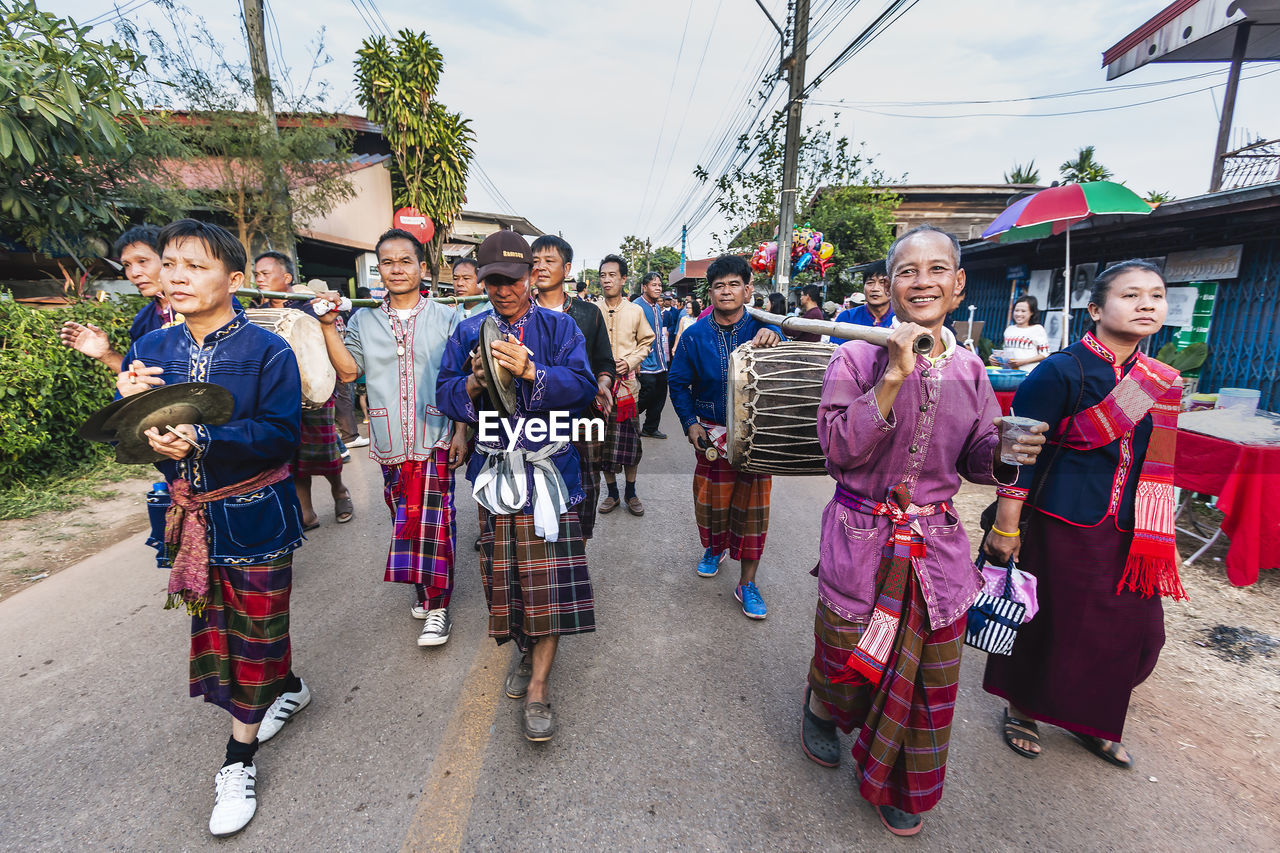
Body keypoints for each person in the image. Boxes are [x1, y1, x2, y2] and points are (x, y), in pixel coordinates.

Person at [802, 225, 1046, 838]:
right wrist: (892, 373)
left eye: (938, 270)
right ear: (890, 284)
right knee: (844, 649)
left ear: (959, 285)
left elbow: (977, 461)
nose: (923, 282)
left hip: (934, 545)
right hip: (861, 533)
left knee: (929, 671)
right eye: (908, 271)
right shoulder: (855, 355)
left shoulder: (970, 368)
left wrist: (1009, 450)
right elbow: (837, 450)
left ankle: (903, 781)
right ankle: (820, 706)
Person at [116, 219, 310, 837]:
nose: (176, 276)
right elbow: (141, 447)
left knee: (254, 630)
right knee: (224, 629)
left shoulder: (267, 351)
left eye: (195, 266)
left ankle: (238, 759)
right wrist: (138, 416)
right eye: (170, 263)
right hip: (189, 516)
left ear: (233, 279)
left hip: (255, 513)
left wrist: (205, 435)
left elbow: (283, 436)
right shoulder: (150, 353)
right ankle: (291, 687)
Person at [982, 260, 1183, 769]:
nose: (1146, 305)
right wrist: (1007, 527)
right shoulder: (1061, 370)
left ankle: (1092, 718)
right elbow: (1018, 452)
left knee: (1129, 634)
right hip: (1060, 520)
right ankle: (1023, 708)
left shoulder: (1159, 381)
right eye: (1131, 295)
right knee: (1050, 623)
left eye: (1156, 296)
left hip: (1131, 530)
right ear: (1095, 309)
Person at [437, 230, 598, 743]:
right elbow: (443, 393)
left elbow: (586, 388)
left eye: (511, 280)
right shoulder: (467, 333)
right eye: (492, 282)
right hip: (496, 477)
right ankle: (526, 650)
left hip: (551, 473)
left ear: (531, 274)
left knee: (547, 585)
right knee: (506, 583)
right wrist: (474, 384)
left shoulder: (561, 326)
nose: (503, 291)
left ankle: (539, 688)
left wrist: (532, 371)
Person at [314, 229, 469, 648]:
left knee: (435, 520)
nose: (396, 269)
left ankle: (437, 607)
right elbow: (348, 372)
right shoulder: (364, 320)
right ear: (378, 269)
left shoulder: (449, 317)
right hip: (388, 441)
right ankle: (424, 589)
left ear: (422, 268)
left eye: (405, 261)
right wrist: (329, 327)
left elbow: (459, 381)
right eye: (387, 262)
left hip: (434, 434)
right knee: (404, 518)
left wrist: (461, 431)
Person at [669, 255, 782, 619]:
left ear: (748, 289)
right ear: (711, 293)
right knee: (710, 505)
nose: (727, 291)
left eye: (735, 284)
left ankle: (747, 583)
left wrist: (776, 337)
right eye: (719, 285)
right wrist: (689, 422)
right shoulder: (693, 336)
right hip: (711, 435)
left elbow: (785, 368)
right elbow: (677, 382)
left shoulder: (765, 329)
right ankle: (713, 548)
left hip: (757, 438)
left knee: (753, 513)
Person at [253, 251, 354, 528]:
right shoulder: (257, 313)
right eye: (256, 275)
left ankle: (339, 490)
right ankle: (306, 510)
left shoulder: (311, 307)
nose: (258, 279)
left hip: (316, 390)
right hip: (279, 397)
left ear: (286, 277)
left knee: (325, 454)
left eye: (265, 273)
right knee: (293, 456)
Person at [531, 234, 615, 539]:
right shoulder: (520, 313)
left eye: (549, 261)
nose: (540, 267)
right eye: (535, 261)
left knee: (584, 482)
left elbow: (604, 362)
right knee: (536, 485)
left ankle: (576, 549)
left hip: (581, 415)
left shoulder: (588, 313)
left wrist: (602, 383)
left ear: (567, 269)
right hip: (532, 419)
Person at [60, 225, 179, 369]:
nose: (134, 273)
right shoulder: (143, 320)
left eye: (142, 261)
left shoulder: (201, 309)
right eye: (127, 265)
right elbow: (140, 378)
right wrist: (106, 354)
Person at [597, 254, 654, 517]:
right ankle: (612, 493)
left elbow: (646, 342)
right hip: (598, 390)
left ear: (623, 278)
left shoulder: (635, 311)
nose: (607, 280)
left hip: (627, 389)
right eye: (603, 275)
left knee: (630, 445)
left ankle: (631, 492)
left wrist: (630, 361)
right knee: (602, 445)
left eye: (612, 275)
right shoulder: (593, 310)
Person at [632, 271, 671, 439]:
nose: (658, 288)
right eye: (654, 285)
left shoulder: (656, 307)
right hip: (645, 360)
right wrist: (636, 360)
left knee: (661, 394)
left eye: (659, 285)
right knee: (647, 393)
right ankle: (625, 419)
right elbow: (631, 333)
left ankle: (650, 427)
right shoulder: (636, 306)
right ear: (644, 287)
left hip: (660, 361)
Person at [831, 260, 896, 344]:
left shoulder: (901, 318)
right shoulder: (847, 317)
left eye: (882, 283)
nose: (875, 288)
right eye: (870, 283)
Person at [992, 294, 1049, 372]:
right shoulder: (1009, 329)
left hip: (1029, 374)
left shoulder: (1037, 329)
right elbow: (1005, 352)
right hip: (1009, 374)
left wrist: (1023, 362)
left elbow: (1045, 354)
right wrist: (994, 358)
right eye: (1016, 310)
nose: (1019, 314)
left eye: (1023, 311)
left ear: (1032, 312)